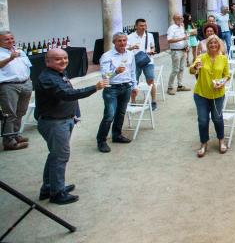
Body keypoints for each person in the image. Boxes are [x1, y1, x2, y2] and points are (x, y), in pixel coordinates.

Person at [34, 48, 108, 204]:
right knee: (60, 157)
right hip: (54, 123)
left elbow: (67, 94)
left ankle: (49, 187)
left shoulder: (58, 74)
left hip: (63, 120)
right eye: (58, 59)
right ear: (47, 62)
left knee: (55, 155)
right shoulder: (48, 78)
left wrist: (73, 115)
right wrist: (94, 87)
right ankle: (57, 193)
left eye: (65, 58)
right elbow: (68, 95)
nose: (63, 61)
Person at [189, 35, 229, 157]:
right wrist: (195, 67)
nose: (213, 45)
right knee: (202, 120)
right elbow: (191, 70)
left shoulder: (223, 59)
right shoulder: (201, 57)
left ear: (219, 45)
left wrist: (222, 82)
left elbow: (227, 75)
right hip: (201, 94)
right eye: (210, 43)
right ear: (207, 45)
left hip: (217, 94)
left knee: (217, 118)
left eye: (215, 43)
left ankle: (221, 140)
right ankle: (204, 143)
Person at [97, 32, 137, 153]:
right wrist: (115, 71)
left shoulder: (130, 54)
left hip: (126, 87)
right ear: (114, 42)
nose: (122, 43)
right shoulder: (107, 56)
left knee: (121, 113)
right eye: (119, 41)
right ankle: (101, 141)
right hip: (111, 88)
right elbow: (105, 75)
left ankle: (117, 135)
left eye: (124, 40)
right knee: (109, 115)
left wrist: (134, 85)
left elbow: (133, 71)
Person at [0, 31, 33, 151]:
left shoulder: (20, 50)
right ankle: (9, 142)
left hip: (25, 84)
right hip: (9, 86)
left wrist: (29, 81)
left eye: (12, 38)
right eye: (6, 39)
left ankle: (15, 135)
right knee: (9, 114)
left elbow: (27, 66)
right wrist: (10, 58)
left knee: (20, 112)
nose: (10, 41)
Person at [127, 18, 158, 110]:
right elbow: (125, 50)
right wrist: (132, 47)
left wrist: (152, 51)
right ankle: (133, 101)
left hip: (148, 61)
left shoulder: (150, 35)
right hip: (135, 62)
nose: (143, 27)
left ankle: (154, 101)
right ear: (136, 26)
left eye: (145, 25)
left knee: (150, 81)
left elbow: (152, 46)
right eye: (141, 25)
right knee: (134, 81)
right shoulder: (130, 37)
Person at [167, 13, 190, 95]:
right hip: (176, 51)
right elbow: (169, 40)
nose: (181, 19)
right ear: (175, 19)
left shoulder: (182, 27)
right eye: (179, 18)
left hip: (183, 50)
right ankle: (170, 87)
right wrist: (182, 38)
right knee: (175, 70)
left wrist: (187, 45)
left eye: (181, 18)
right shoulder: (171, 28)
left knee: (181, 69)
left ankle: (180, 86)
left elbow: (185, 38)